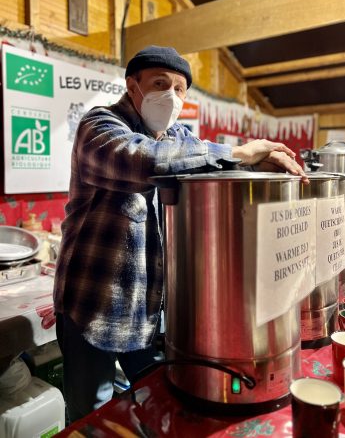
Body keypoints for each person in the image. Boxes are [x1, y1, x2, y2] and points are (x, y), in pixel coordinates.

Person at [53, 45, 308, 422]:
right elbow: (141, 161)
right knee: (94, 415)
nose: (170, 96)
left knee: (155, 400)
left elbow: (212, 164)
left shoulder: (176, 136)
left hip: (147, 309)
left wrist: (264, 161)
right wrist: (240, 152)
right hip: (93, 305)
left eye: (179, 88)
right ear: (132, 85)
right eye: (160, 83)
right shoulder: (101, 127)